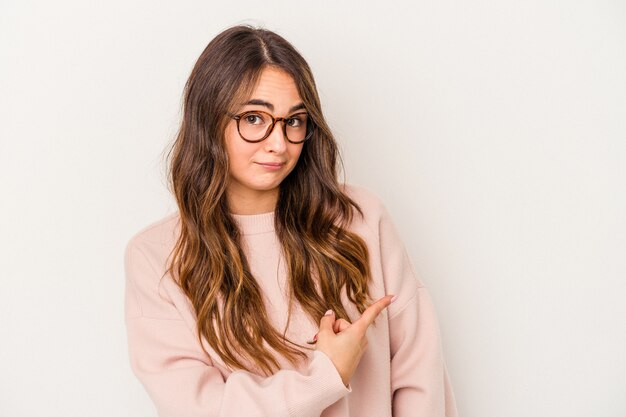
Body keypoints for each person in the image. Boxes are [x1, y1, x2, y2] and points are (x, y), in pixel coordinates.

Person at [123, 24, 458, 417]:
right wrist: (326, 375)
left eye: (294, 121)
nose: (278, 143)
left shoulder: (361, 219)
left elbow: (421, 375)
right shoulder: (157, 258)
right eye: (254, 119)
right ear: (210, 120)